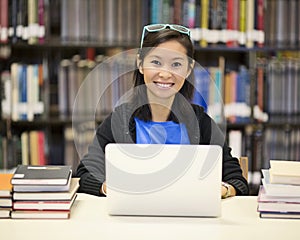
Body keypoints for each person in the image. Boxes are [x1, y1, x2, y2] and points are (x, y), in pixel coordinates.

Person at [76, 24, 249, 198]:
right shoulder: (120, 120)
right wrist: (111, 188)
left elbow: (236, 179)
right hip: (133, 218)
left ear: (188, 70)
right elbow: (86, 173)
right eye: (156, 62)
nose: (165, 74)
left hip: (189, 218)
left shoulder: (201, 122)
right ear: (140, 64)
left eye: (176, 64)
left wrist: (224, 189)